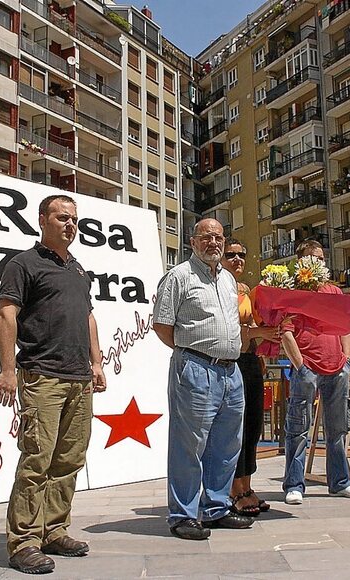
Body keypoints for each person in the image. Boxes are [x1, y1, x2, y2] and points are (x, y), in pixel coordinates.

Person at [0, 194, 107, 574]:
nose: (70, 224)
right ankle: (23, 542)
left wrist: (96, 362)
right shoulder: (23, 265)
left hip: (79, 379)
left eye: (74, 219)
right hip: (42, 376)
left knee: (69, 461)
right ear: (42, 220)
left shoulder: (77, 268)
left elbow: (88, 317)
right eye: (62, 217)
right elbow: (6, 314)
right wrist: (8, 371)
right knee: (36, 461)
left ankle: (54, 530)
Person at [153, 218, 253, 541]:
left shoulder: (228, 281)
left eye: (218, 237)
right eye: (206, 237)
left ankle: (216, 508)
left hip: (231, 372)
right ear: (193, 242)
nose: (213, 242)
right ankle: (182, 514)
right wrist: (194, 352)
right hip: (195, 368)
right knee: (188, 445)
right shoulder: (178, 277)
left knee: (226, 445)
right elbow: (162, 326)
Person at [280, 238, 350, 504]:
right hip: (306, 368)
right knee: (298, 427)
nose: (318, 262)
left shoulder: (334, 292)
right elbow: (285, 330)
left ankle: (340, 482)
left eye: (321, 258)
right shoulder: (291, 292)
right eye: (312, 258)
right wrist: (300, 365)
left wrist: (347, 361)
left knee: (338, 428)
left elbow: (346, 328)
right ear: (301, 261)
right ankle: (294, 485)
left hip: (336, 367)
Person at [220, 238, 279, 516]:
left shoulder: (245, 289)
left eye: (241, 254)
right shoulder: (217, 286)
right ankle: (234, 490)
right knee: (236, 428)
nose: (237, 259)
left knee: (254, 426)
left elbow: (254, 324)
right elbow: (226, 328)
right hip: (231, 362)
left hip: (251, 360)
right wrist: (258, 334)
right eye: (230, 255)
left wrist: (262, 353)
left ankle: (247, 485)